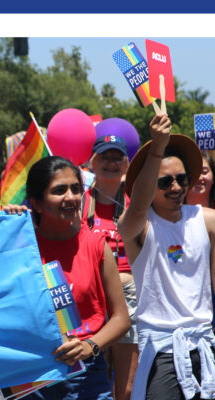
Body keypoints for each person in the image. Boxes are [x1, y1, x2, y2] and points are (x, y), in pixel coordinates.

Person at [13, 155, 129, 400]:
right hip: (34, 375)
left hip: (87, 376)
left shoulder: (96, 245)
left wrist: (90, 346)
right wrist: (6, 227)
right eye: (59, 190)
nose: (71, 197)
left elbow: (121, 319)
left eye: (76, 189)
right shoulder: (19, 249)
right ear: (36, 202)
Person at [118, 114, 215, 400]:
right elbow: (136, 207)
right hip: (161, 352)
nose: (175, 188)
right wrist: (157, 147)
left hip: (205, 346)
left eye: (181, 179)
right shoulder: (138, 226)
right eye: (165, 182)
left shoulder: (205, 219)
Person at [84, 135, 137, 400]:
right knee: (96, 381)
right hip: (92, 298)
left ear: (127, 164)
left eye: (118, 157)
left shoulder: (138, 202)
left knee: (126, 388)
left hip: (130, 296)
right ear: (92, 162)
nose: (111, 163)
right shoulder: (77, 201)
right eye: (105, 156)